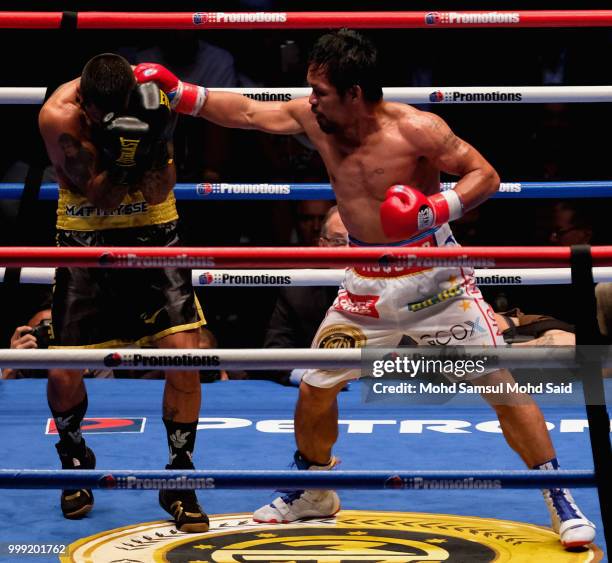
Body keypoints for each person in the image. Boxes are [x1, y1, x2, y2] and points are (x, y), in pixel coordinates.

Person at [135, 30, 595, 547]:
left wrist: (432, 209)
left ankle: (559, 496)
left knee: (500, 387)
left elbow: (483, 174)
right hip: (365, 283)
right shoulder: (316, 119)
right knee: (315, 386)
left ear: (355, 93)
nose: (311, 100)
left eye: (321, 91)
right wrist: (182, 94)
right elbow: (246, 112)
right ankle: (313, 489)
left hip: (435, 280)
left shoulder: (416, 128)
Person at [38, 53, 208, 532]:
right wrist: (123, 152)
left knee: (184, 357)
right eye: (97, 115)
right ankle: (74, 457)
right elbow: (98, 194)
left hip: (154, 232)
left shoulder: (153, 98)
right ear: (86, 102)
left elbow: (159, 191)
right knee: (64, 368)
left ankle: (179, 475)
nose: (101, 120)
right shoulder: (59, 115)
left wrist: (152, 143)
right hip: (87, 233)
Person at [264, 205, 347, 385]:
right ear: (323, 246)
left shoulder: (388, 287)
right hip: (316, 388)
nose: (349, 251)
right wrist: (306, 376)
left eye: (356, 242)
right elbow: (276, 351)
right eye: (339, 242)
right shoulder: (299, 289)